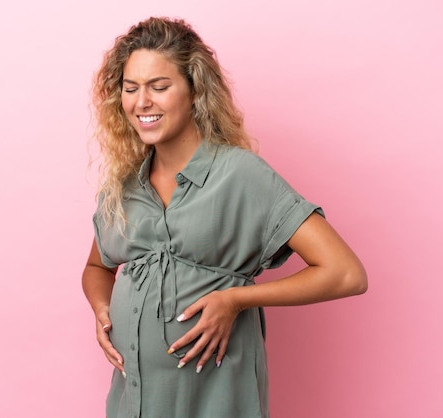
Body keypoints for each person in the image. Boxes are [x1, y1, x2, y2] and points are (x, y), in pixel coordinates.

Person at [81, 16, 368, 418]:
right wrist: (101, 310)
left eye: (159, 87)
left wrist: (235, 299)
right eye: (131, 88)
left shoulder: (241, 174)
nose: (141, 102)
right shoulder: (125, 186)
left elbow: (346, 273)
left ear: (195, 91)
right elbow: (97, 266)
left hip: (218, 397)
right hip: (135, 402)